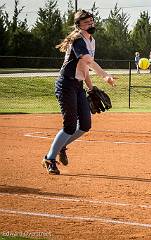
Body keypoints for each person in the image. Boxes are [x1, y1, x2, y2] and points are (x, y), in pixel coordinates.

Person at [41, 10, 116, 175]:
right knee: (69, 126)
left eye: (92, 21)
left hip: (78, 85)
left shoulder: (91, 40)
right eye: (87, 22)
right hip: (65, 84)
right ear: (79, 25)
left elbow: (85, 69)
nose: (91, 24)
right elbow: (88, 61)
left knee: (85, 125)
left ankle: (62, 146)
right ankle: (49, 158)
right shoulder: (78, 40)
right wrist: (105, 76)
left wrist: (91, 88)